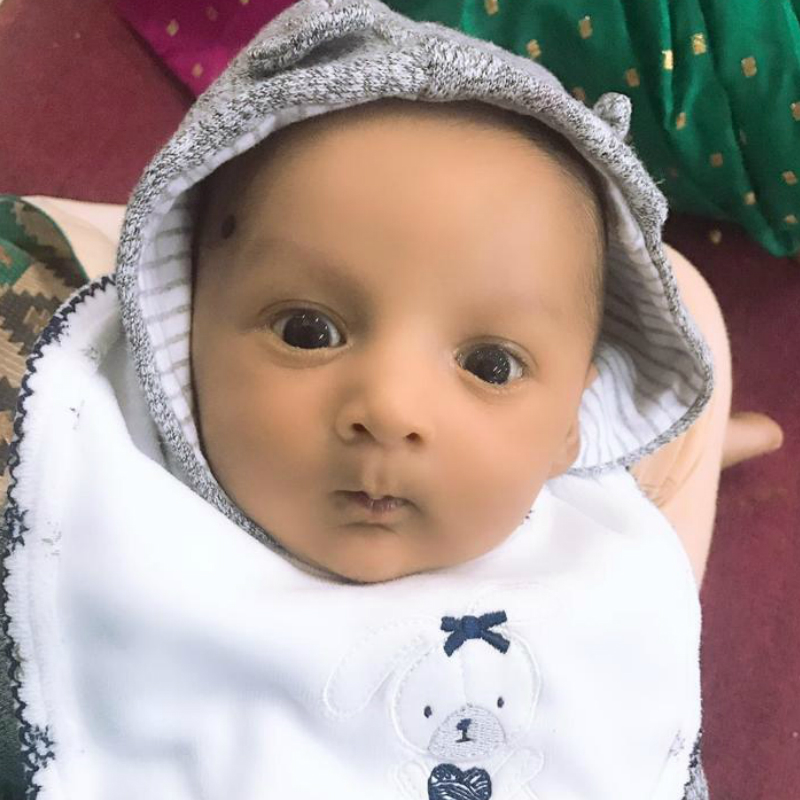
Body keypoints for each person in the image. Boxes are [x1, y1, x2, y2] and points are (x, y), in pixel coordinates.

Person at [0, 1, 782, 797]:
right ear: (180, 338)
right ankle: (677, 455)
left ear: (571, 426)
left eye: (490, 365)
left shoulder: (592, 584)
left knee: (689, 310)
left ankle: (672, 453)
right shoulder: (95, 510)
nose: (391, 409)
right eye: (307, 331)